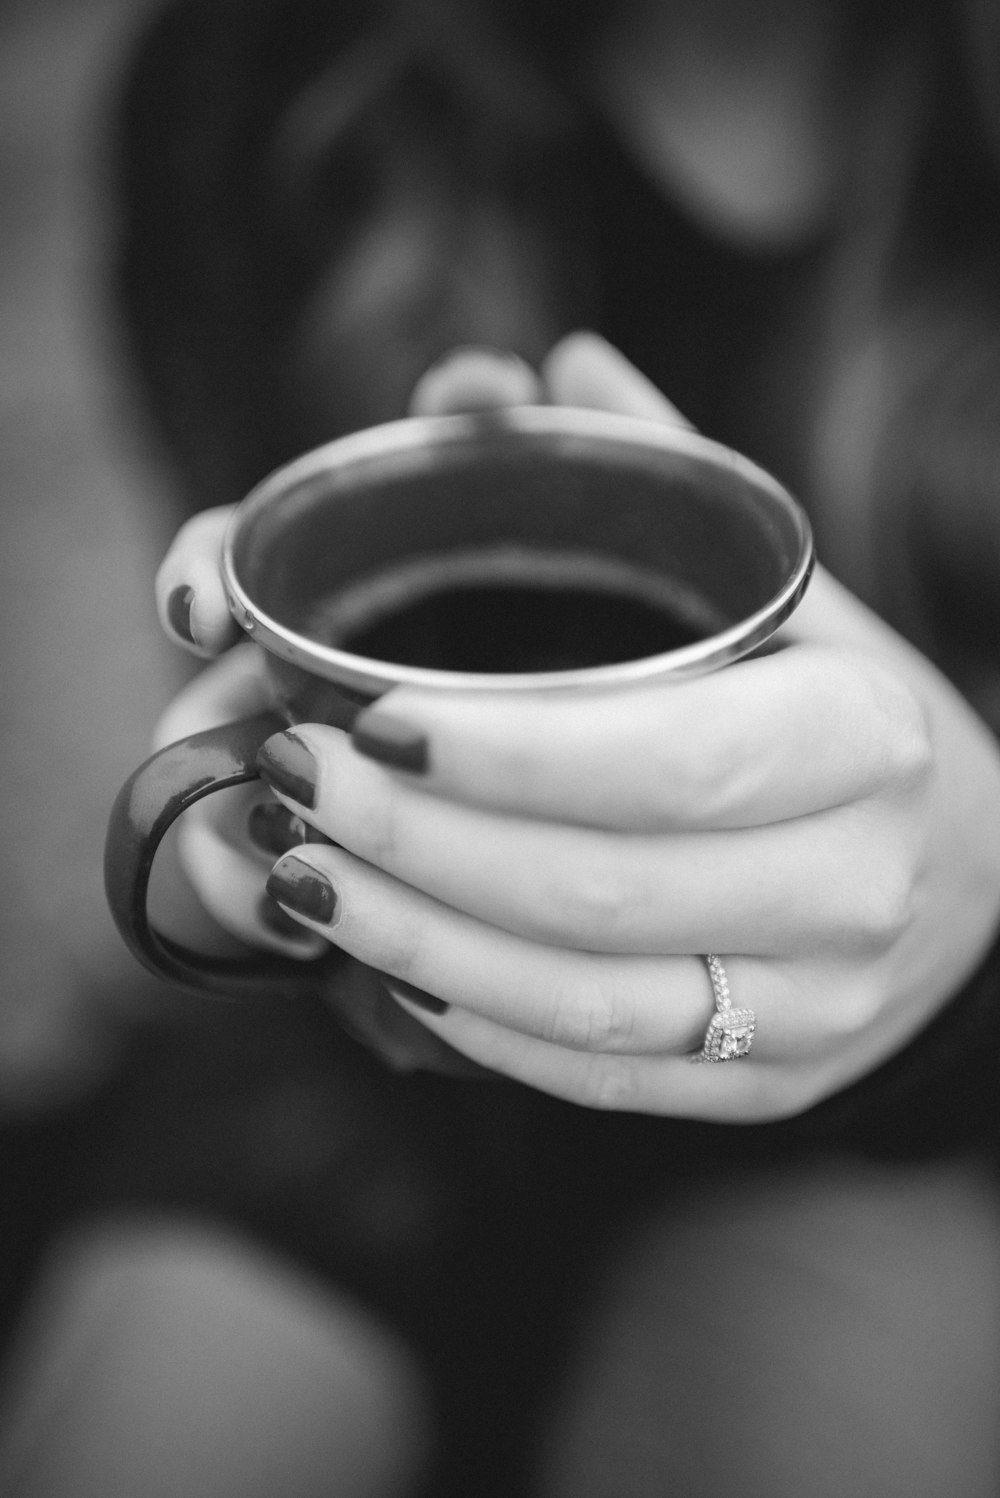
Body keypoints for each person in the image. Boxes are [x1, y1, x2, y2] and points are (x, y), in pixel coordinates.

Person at [4, 0, 1000, 1494]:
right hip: (352, 1061)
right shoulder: (263, 78)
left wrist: (983, 883)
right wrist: (235, 874)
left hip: (904, 1110)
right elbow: (238, 733)